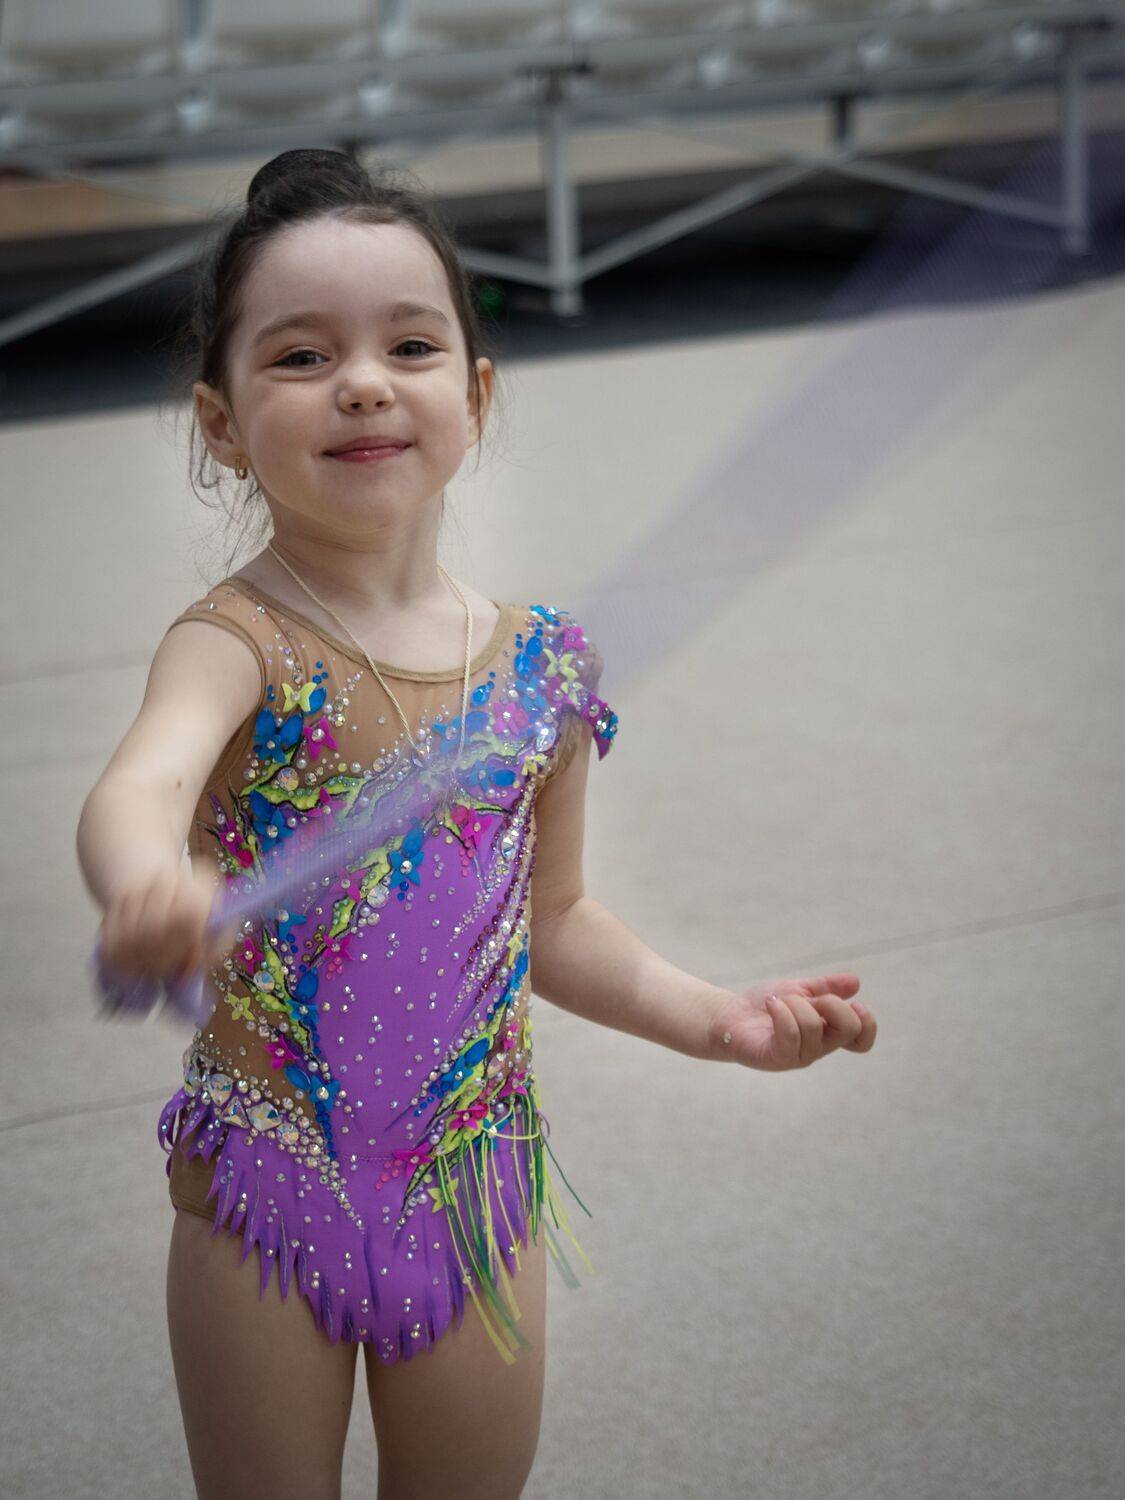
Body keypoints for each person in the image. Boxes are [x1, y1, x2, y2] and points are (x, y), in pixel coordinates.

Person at [75, 146, 876, 1500]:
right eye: (301, 357)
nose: (363, 382)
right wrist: (143, 877)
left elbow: (552, 917)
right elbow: (140, 784)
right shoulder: (239, 641)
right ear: (220, 422)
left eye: (409, 345)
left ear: (476, 392)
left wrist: (713, 1019)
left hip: (472, 1190)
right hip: (266, 1189)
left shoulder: (538, 670)